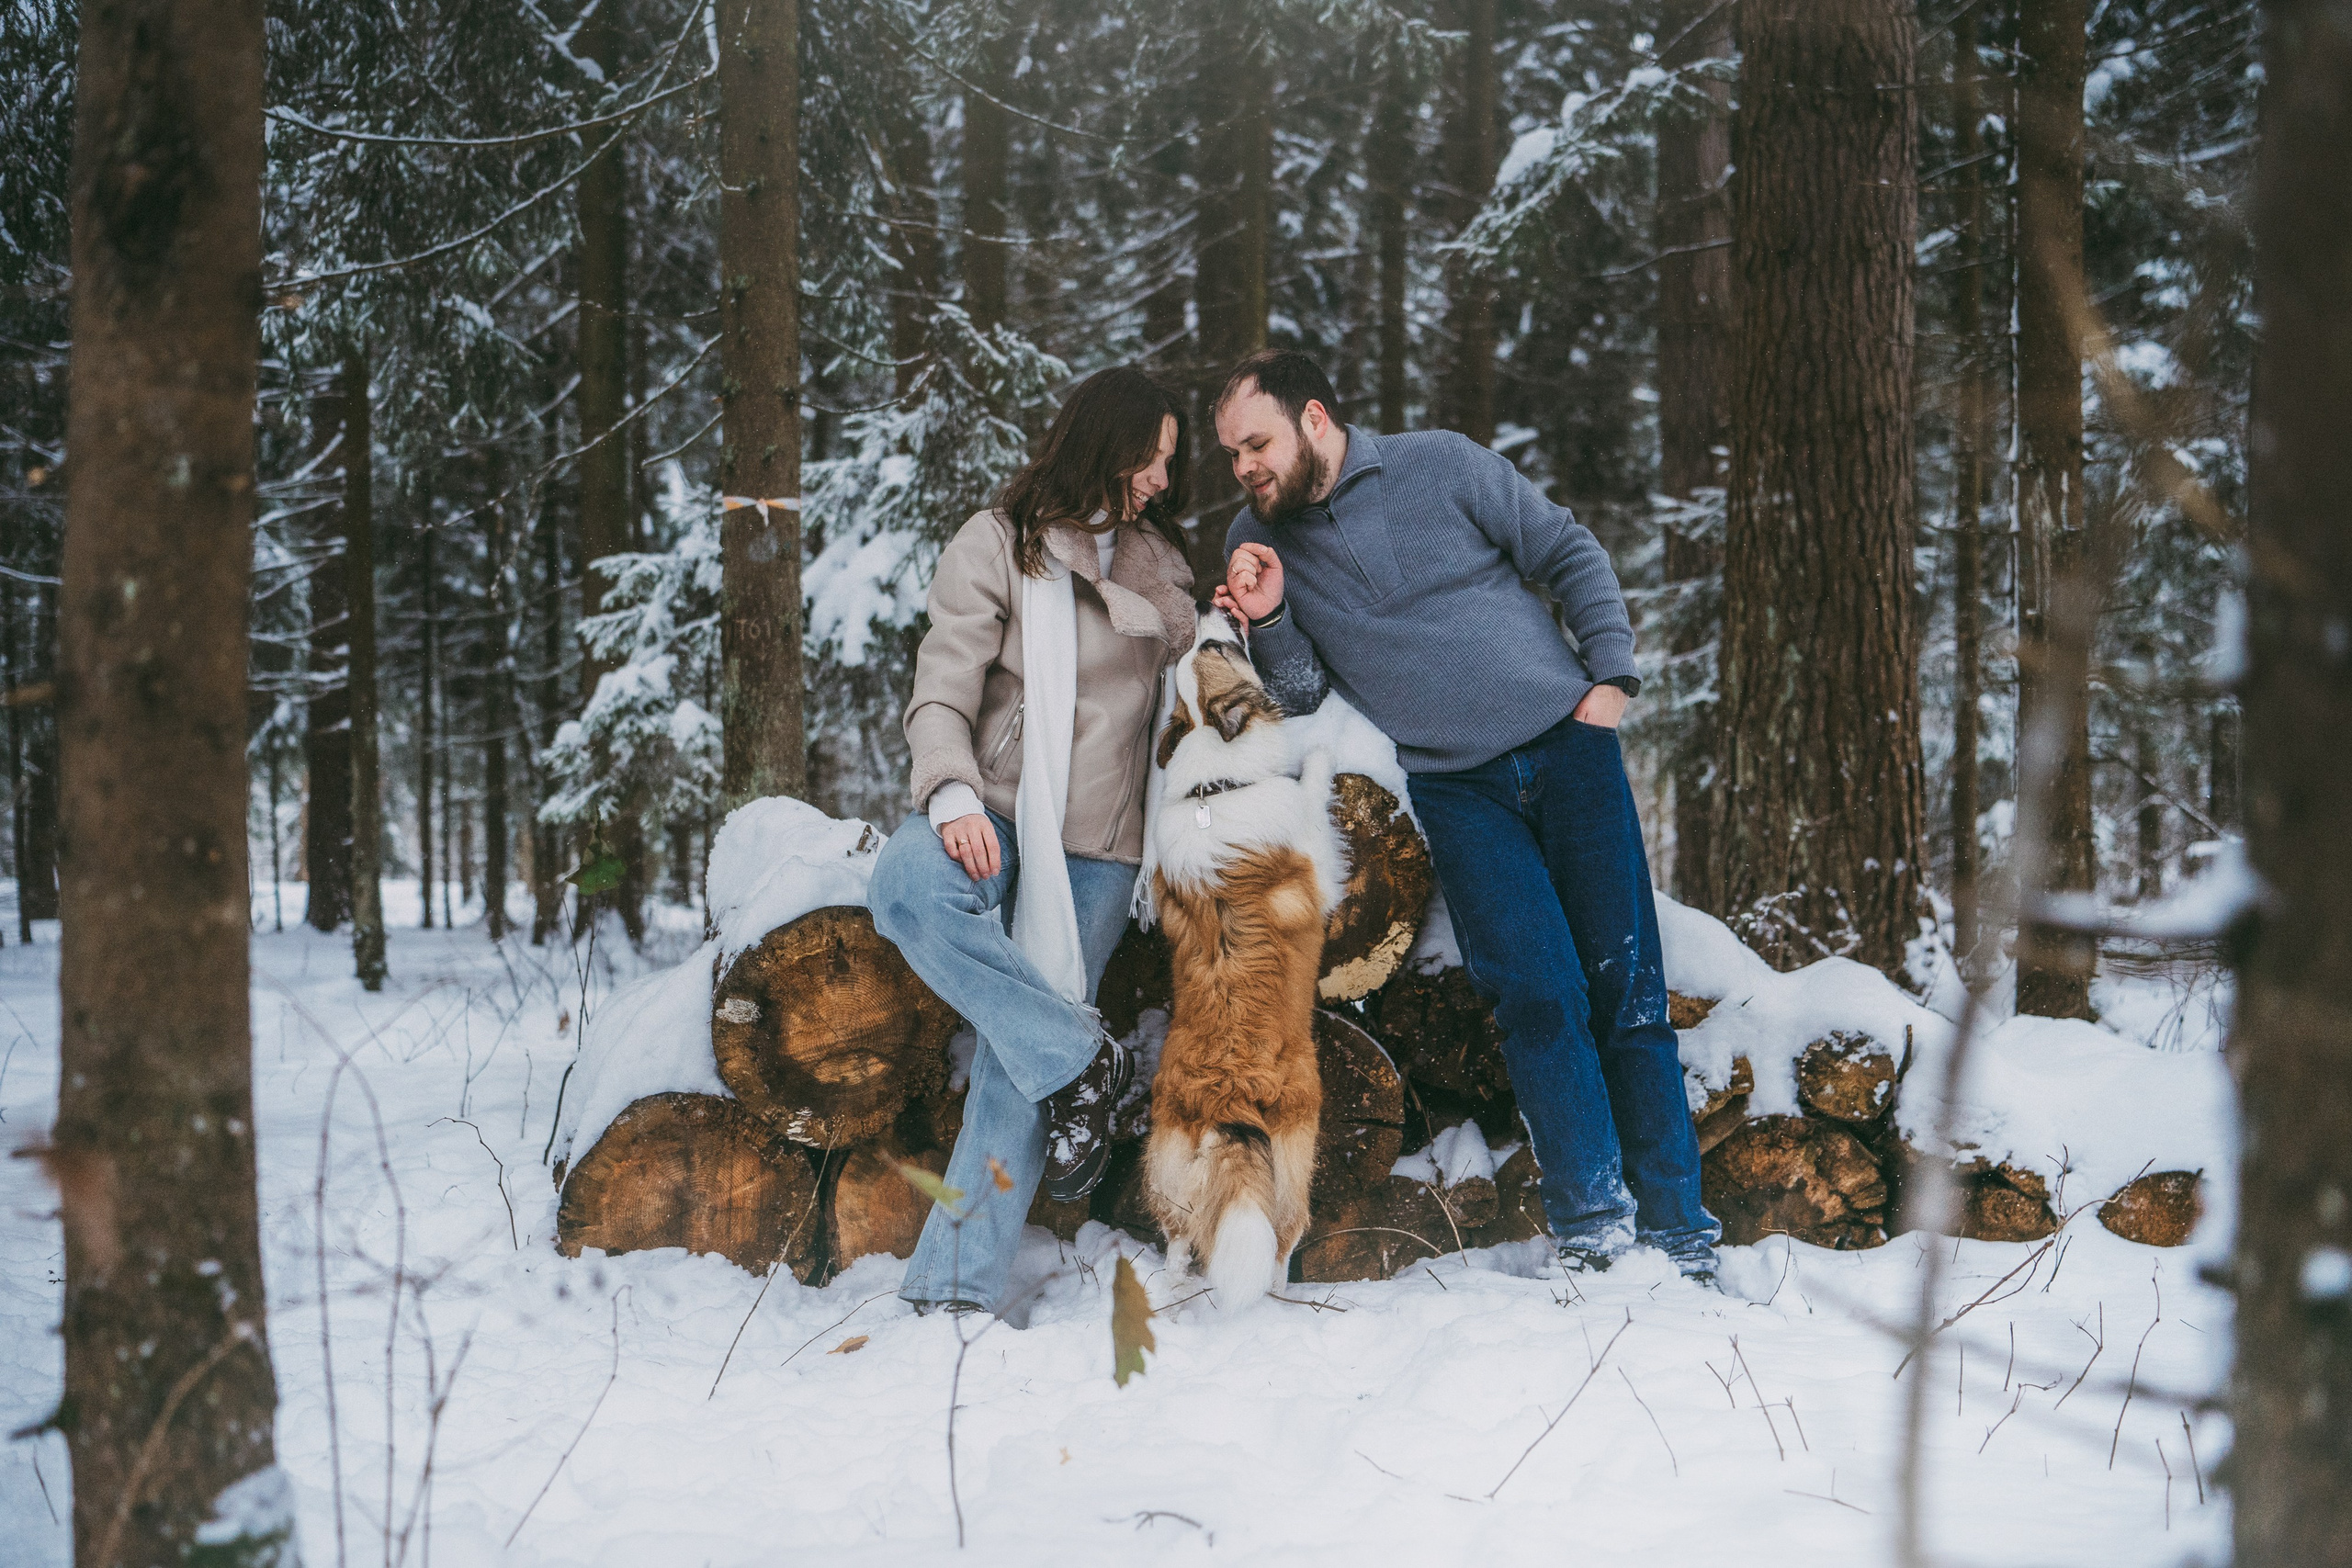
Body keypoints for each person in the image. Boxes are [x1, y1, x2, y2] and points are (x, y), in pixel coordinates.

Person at [1208, 348, 1721, 1285]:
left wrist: (1609, 676)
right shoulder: (1260, 539)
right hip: (1458, 788)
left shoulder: (1439, 463)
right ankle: (1594, 1230)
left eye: (1256, 444)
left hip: (1569, 752)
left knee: (1628, 990)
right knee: (1537, 997)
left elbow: (1565, 549)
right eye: (1232, 454)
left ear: (1313, 418)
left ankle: (1682, 1233)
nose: (1243, 467)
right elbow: (1302, 689)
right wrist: (1269, 616)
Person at [869, 366, 1198, 1316]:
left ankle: (952, 1292)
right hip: (997, 812)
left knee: (1014, 1063)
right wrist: (951, 795)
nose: (1161, 481)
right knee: (904, 887)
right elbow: (942, 686)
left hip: (1100, 848)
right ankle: (1079, 1057)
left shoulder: (1163, 572)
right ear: (1105, 443)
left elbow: (1207, 689)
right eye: (1151, 458)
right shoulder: (996, 542)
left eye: (1170, 463)